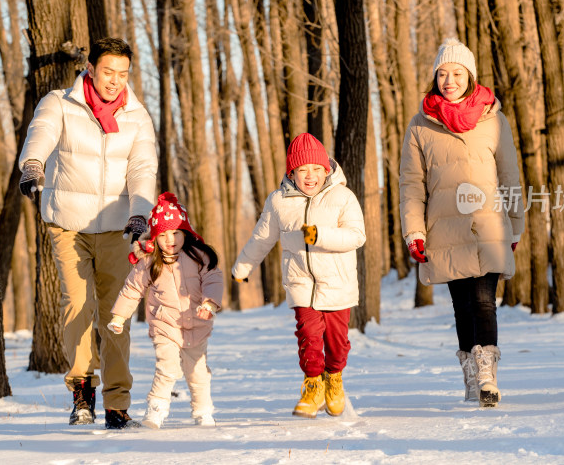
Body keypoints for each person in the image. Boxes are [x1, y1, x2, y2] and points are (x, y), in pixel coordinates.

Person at [18, 37, 157, 429]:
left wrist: (140, 214)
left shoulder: (137, 116)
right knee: (78, 304)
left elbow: (142, 169)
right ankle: (82, 392)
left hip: (116, 226)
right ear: (91, 68)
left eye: (123, 74)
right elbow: (41, 135)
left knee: (117, 314)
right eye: (108, 71)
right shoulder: (59, 102)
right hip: (68, 222)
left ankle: (117, 401)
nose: (115, 81)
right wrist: (32, 166)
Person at [398, 38, 524, 407]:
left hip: (487, 224)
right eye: (441, 73)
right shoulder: (420, 125)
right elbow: (411, 183)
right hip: (443, 228)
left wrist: (515, 223)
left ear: (469, 75)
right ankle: (471, 374)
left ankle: (487, 375)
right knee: (462, 306)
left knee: (484, 301)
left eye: (455, 73)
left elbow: (510, 175)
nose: (448, 80)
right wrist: (414, 231)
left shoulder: (494, 119)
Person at [231, 133, 366, 419]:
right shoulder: (278, 201)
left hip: (338, 284)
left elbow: (357, 236)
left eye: (316, 169)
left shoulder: (342, 196)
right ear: (291, 172)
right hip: (300, 283)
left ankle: (334, 379)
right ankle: (313, 385)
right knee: (308, 336)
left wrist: (320, 236)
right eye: (303, 170)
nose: (310, 176)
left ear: (326, 170)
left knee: (337, 342)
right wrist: (243, 267)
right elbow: (261, 238)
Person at [108, 192, 223, 429]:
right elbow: (132, 289)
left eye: (176, 233)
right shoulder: (149, 262)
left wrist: (209, 303)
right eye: (163, 234)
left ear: (186, 232)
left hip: (197, 326)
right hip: (165, 325)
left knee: (197, 372)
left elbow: (213, 279)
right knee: (167, 368)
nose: (170, 239)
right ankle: (156, 411)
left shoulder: (198, 256)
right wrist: (119, 316)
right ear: (155, 237)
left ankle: (203, 412)